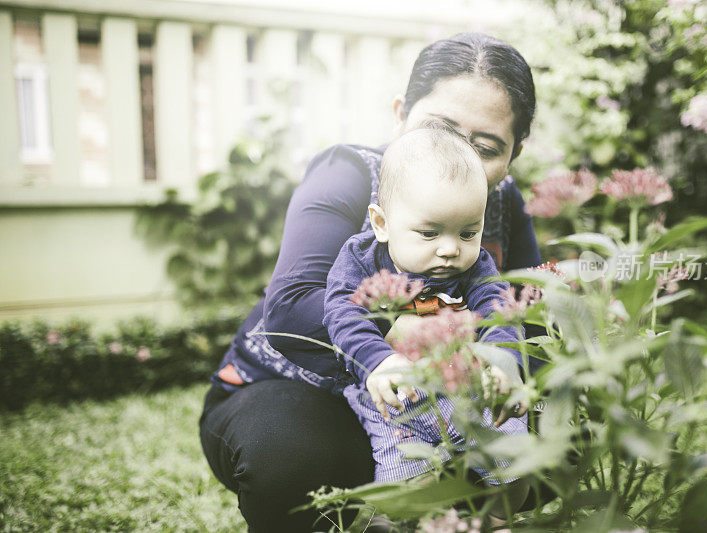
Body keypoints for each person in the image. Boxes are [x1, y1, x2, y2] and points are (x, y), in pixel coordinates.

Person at [199, 32, 542, 531]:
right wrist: (421, 333)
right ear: (401, 113)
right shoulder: (350, 172)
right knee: (298, 460)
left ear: (514, 153)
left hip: (425, 397)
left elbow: (524, 314)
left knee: (545, 438)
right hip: (291, 387)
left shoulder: (502, 201)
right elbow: (292, 308)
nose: (456, 154)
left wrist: (506, 365)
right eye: (437, 127)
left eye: (486, 147)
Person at [323, 126, 530, 511]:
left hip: (467, 388)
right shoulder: (361, 259)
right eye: (429, 233)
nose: (450, 249)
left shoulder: (476, 266)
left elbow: (498, 308)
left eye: (469, 232)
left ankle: (504, 517)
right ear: (382, 224)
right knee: (405, 483)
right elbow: (342, 312)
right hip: (396, 401)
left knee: (514, 455)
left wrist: (503, 361)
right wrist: (379, 360)